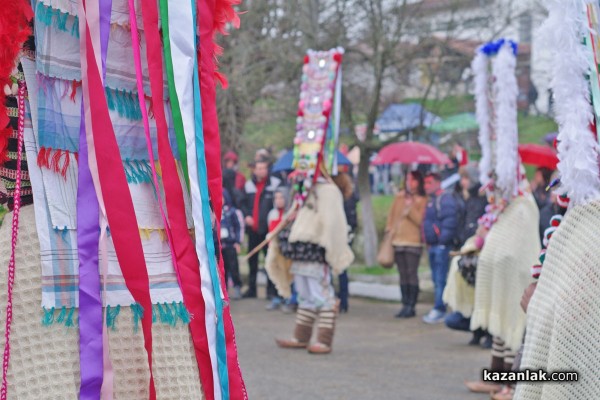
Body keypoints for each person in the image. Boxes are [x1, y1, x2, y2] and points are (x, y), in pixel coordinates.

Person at [271, 179, 354, 354]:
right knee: (304, 294)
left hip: (316, 251)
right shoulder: (302, 190)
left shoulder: (329, 191)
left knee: (322, 295)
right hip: (298, 252)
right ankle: (301, 337)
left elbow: (332, 223)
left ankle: (324, 340)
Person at [385, 171, 427, 318]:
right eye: (408, 180)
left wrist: (411, 208)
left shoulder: (422, 199)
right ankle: (404, 303)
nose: (410, 183)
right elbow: (391, 216)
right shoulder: (400, 197)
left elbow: (420, 221)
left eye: (413, 180)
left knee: (411, 272)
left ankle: (412, 304)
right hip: (398, 240)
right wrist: (390, 231)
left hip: (413, 242)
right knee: (402, 273)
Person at [422, 172, 459, 323]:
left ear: (438, 183)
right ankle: (438, 306)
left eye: (429, 183)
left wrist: (442, 240)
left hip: (441, 246)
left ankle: (440, 308)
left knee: (440, 279)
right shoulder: (432, 200)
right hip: (433, 246)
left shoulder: (445, 199)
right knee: (436, 279)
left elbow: (450, 221)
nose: (426, 186)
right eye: (425, 183)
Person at [242, 159, 281, 298]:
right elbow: (243, 204)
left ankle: (272, 290)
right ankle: (252, 289)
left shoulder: (274, 184)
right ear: (254, 170)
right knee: (252, 260)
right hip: (253, 229)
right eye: (258, 168)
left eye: (264, 168)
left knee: (269, 260)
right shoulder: (248, 185)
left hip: (268, 230)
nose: (261, 171)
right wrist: (247, 215)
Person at [332, 171, 359, 313]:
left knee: (338, 268)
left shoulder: (341, 199)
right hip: (345, 235)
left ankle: (340, 300)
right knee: (341, 269)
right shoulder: (349, 197)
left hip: (340, 235)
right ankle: (342, 300)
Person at [265, 188, 288, 311]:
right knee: (273, 271)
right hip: (273, 248)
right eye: (276, 198)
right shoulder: (272, 214)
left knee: (285, 272)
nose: (279, 200)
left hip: (285, 249)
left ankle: (287, 298)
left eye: (281, 197)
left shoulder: (289, 214)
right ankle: (275, 298)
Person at [221, 184, 244, 300]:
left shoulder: (233, 212)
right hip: (219, 245)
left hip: (231, 244)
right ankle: (224, 290)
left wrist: (238, 242)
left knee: (233, 267)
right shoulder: (213, 213)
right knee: (222, 268)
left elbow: (239, 227)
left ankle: (237, 287)